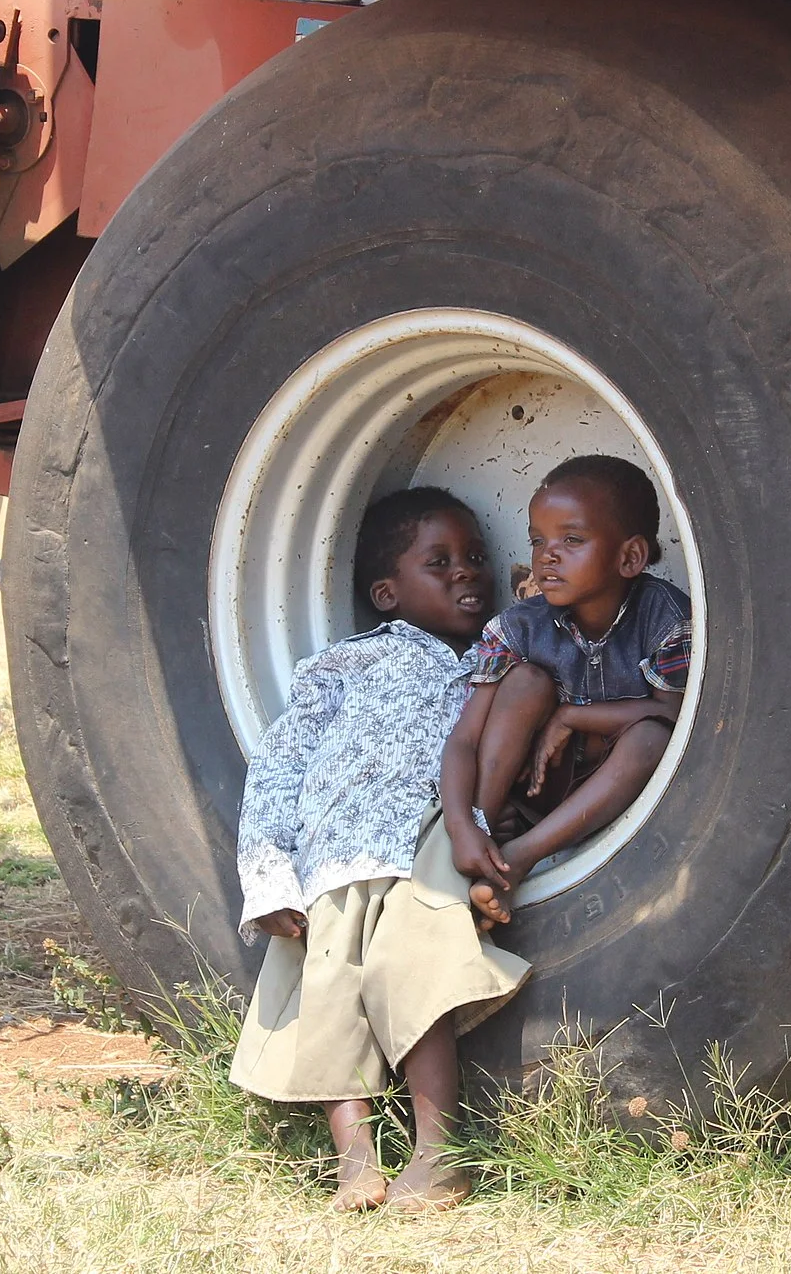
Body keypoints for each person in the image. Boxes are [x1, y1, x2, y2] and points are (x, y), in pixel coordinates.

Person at [230, 488, 529, 1212]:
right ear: (386, 593)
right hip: (339, 846)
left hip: (430, 833)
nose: (468, 572)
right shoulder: (347, 663)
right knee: (328, 994)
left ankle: (438, 1153)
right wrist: (269, 871)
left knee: (414, 964)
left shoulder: (495, 656)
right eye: (441, 562)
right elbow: (281, 764)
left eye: (476, 558)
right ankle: (354, 1161)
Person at [440, 455, 692, 927]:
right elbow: (464, 740)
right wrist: (460, 826)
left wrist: (574, 716)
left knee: (651, 734)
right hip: (532, 789)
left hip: (613, 794)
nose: (546, 556)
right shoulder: (519, 627)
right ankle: (483, 845)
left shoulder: (665, 618)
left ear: (630, 557)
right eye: (539, 540)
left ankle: (516, 860)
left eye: (571, 540)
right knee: (527, 683)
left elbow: (678, 715)